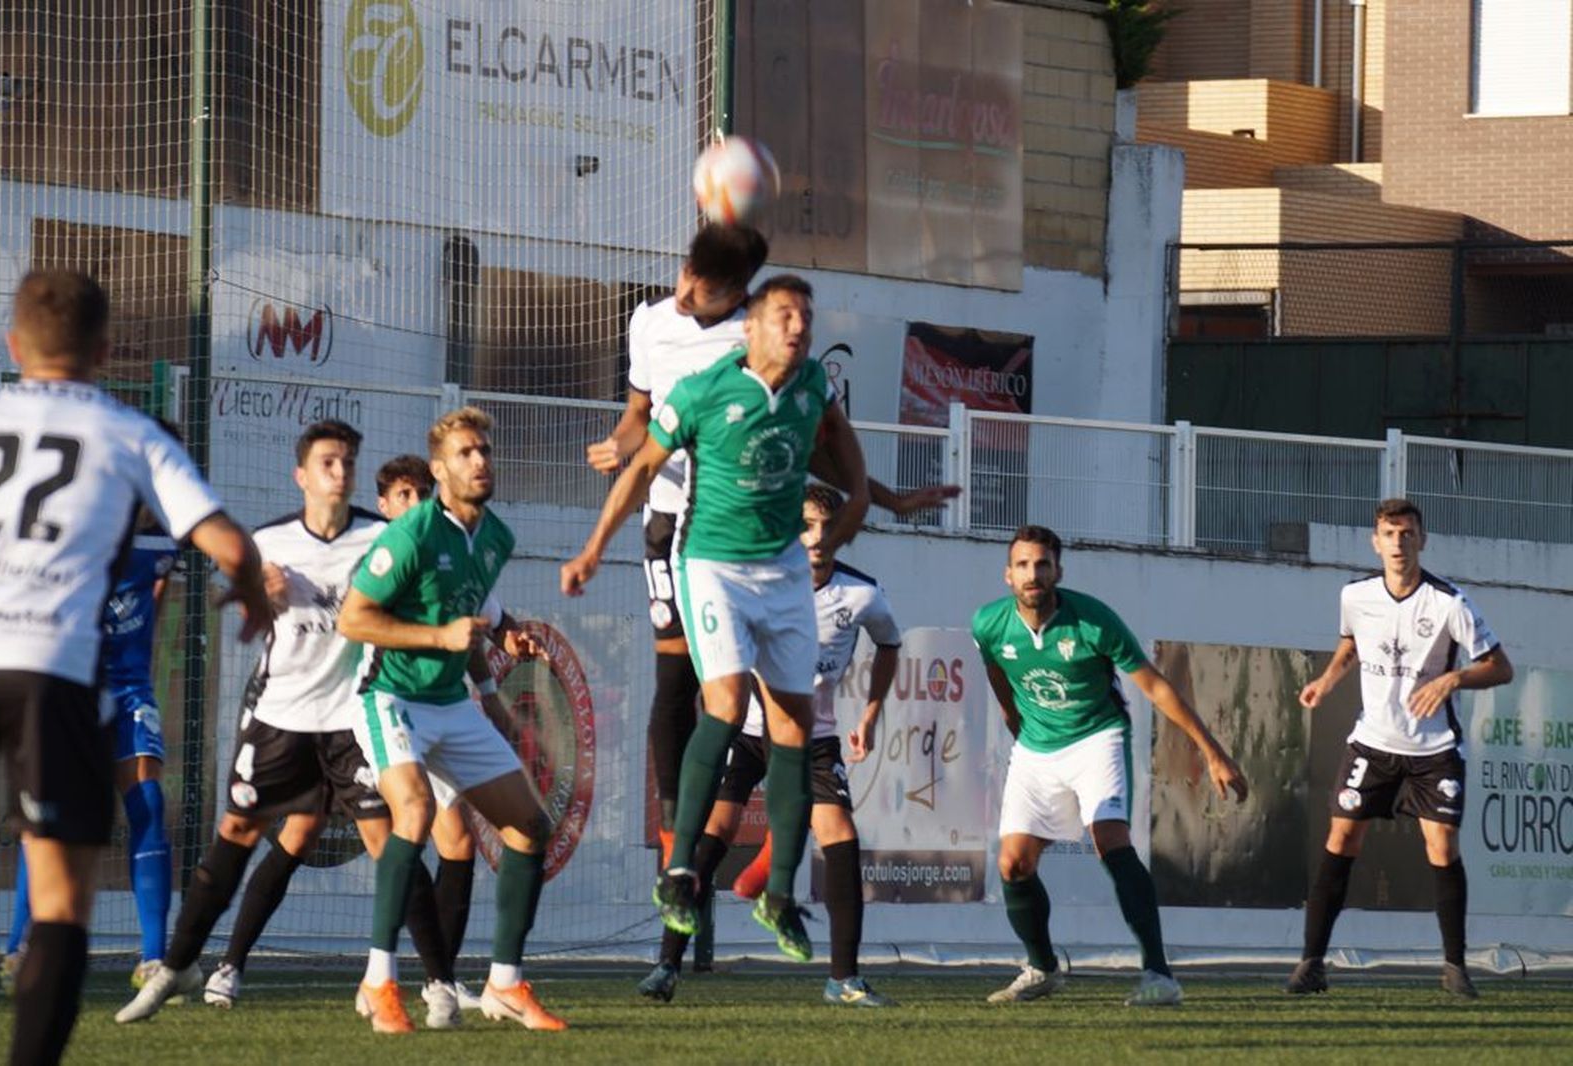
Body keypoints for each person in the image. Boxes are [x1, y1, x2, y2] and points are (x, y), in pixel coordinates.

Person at [587, 225, 956, 870]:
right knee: (677, 678)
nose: (681, 291)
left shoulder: (761, 345)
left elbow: (814, 449)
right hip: (675, 522)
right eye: (683, 274)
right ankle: (678, 848)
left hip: (755, 539)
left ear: (734, 296)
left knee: (769, 708)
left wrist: (889, 499)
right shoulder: (648, 322)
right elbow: (638, 413)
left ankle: (772, 872)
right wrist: (624, 444)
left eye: (698, 284)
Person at [0, 269, 269, 1066]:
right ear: (106, 351)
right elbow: (233, 549)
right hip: (53, 672)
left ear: (12, 345)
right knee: (65, 898)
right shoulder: (129, 431)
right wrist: (253, 599)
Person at [564, 274, 872, 962]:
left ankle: (779, 895)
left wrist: (883, 504)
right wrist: (591, 550)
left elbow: (844, 460)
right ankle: (679, 874)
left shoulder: (813, 388)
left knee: (794, 724)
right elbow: (643, 468)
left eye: (807, 317)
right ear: (753, 327)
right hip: (712, 564)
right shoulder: (704, 390)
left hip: (784, 571)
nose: (799, 327)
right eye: (786, 315)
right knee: (726, 704)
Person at [116, 423, 461, 1030]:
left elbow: (417, 600)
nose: (340, 471)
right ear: (301, 475)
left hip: (352, 717)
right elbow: (243, 598)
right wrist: (260, 590)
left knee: (395, 842)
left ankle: (439, 984)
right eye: (328, 461)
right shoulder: (267, 540)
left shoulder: (382, 538)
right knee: (239, 832)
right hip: (280, 717)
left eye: (348, 461)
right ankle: (176, 966)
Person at [337, 406, 566, 1034]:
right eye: (466, 453)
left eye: (484, 450)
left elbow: (481, 605)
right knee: (412, 813)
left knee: (529, 826)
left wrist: (510, 635)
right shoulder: (411, 533)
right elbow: (353, 619)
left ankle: (505, 984)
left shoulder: (496, 538)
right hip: (390, 697)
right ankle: (379, 982)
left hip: (448, 704)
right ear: (439, 469)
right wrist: (441, 637)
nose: (480, 461)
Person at [638, 483, 901, 1005]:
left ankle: (843, 979)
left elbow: (890, 644)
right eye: (805, 525)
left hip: (813, 740)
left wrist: (870, 714)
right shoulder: (758, 587)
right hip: (749, 732)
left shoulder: (862, 595)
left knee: (841, 837)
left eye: (827, 526)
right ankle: (666, 965)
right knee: (714, 836)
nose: (817, 537)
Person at [973, 525, 1248, 1008]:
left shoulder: (1093, 622)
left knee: (1110, 842)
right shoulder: (989, 623)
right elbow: (996, 670)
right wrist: (1012, 717)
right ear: (1007, 575)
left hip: (1097, 738)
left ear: (1058, 570)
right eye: (1022, 565)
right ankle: (1041, 969)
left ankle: (1159, 976)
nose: (1032, 574)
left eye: (1042, 564)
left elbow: (1157, 687)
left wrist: (1212, 751)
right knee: (1013, 864)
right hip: (1037, 747)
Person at [1288, 498, 1512, 999]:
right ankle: (1311, 964)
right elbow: (1351, 643)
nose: (1398, 544)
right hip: (1373, 743)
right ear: (1375, 542)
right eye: (1389, 535)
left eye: (1407, 534)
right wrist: (1326, 682)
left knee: (1442, 848)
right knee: (1341, 841)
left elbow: (1501, 667)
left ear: (1422, 540)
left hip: (1433, 750)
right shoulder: (1356, 595)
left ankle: (1455, 967)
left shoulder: (1449, 602)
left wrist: (1455, 678)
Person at [3, 444, 182, 993]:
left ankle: (154, 957)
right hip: (70, 686)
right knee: (48, 814)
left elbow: (159, 594)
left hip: (129, 690)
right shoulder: (74, 532)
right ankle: (18, 947)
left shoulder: (167, 540)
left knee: (148, 800)